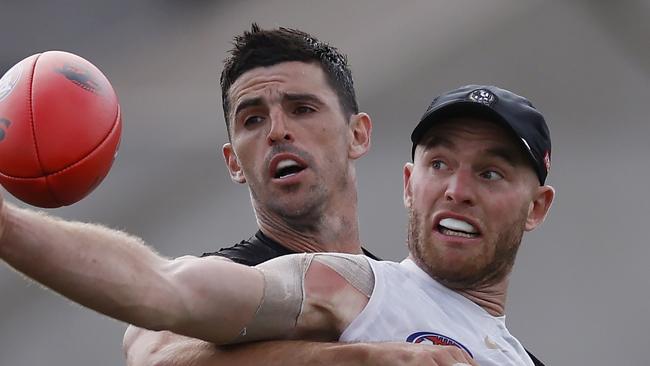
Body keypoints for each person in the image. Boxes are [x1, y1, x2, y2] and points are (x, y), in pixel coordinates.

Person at [0, 24, 475, 366]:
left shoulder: (413, 299)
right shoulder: (231, 276)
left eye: (302, 108)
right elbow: (155, 354)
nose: (278, 131)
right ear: (233, 162)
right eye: (253, 119)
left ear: (358, 135)